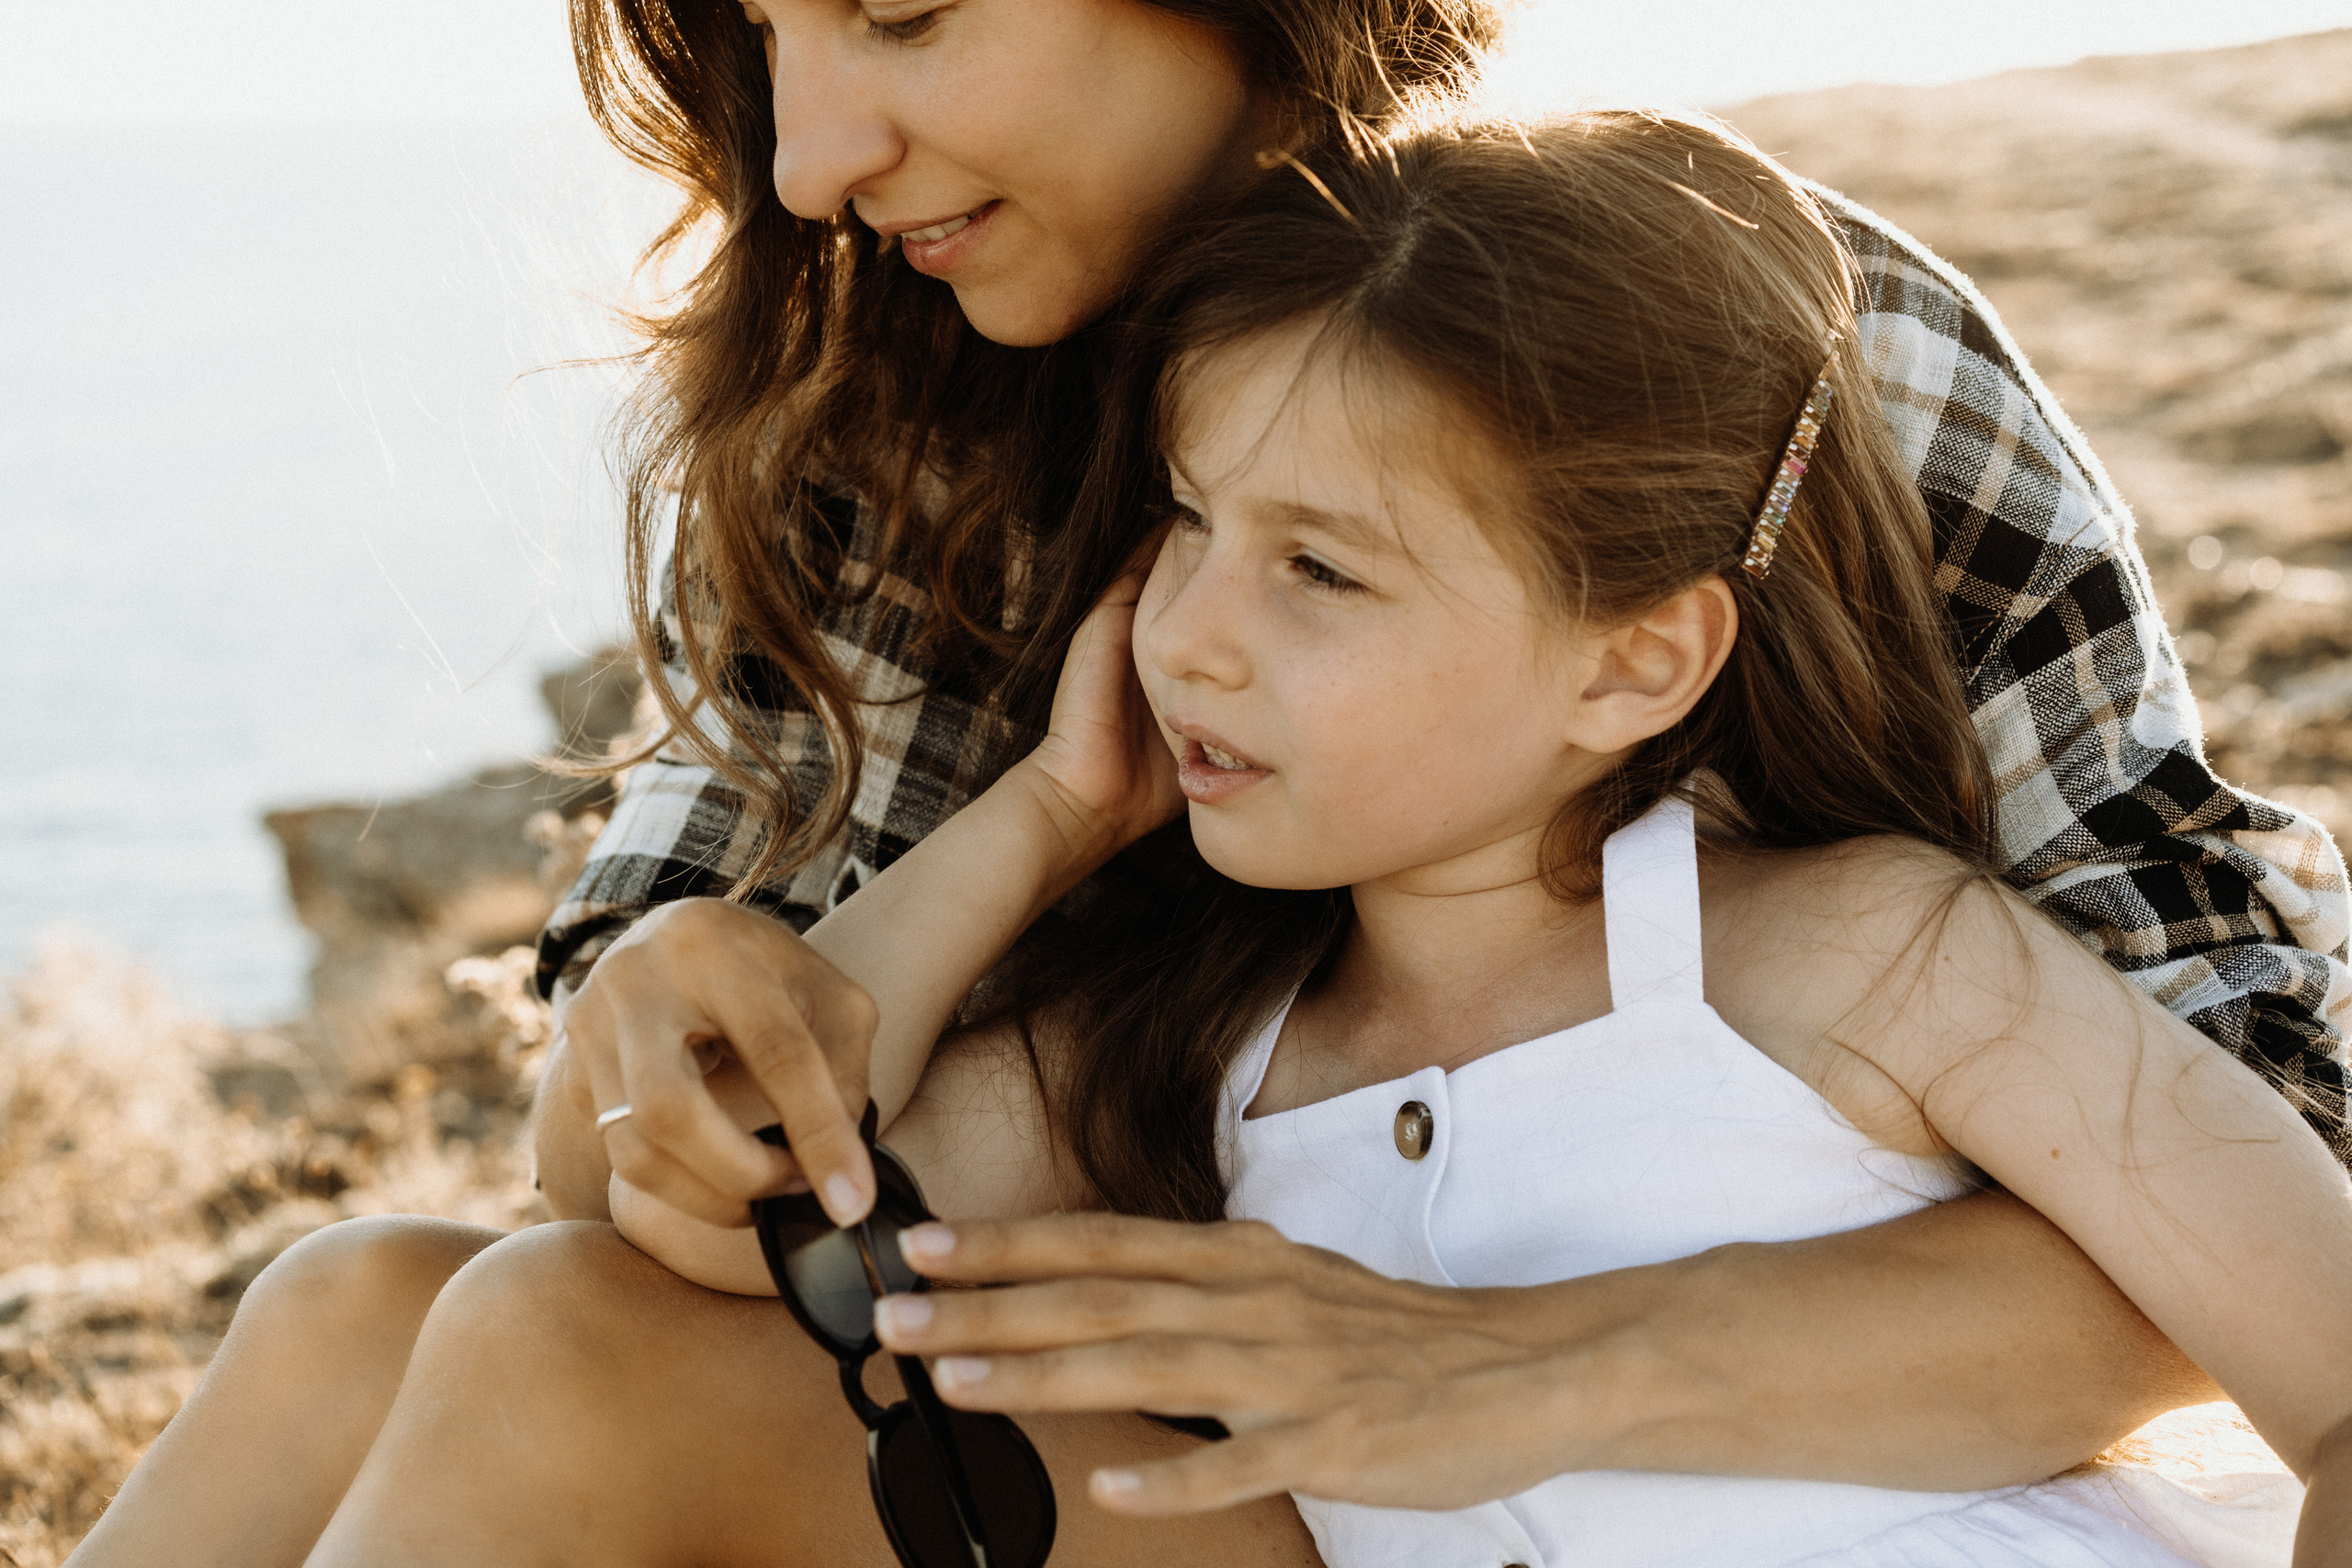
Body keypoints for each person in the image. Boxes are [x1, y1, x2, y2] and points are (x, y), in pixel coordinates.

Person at [60, 1, 2347, 1563]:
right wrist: (779, 933)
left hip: (1718, 1434)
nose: (808, 157)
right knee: (367, 1293)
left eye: (908, 7)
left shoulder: (1744, 369)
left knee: (520, 1339)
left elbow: (2251, 1156)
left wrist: (1520, 1363)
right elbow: (681, 1203)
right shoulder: (892, 426)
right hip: (1258, 1475)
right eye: (763, 40)